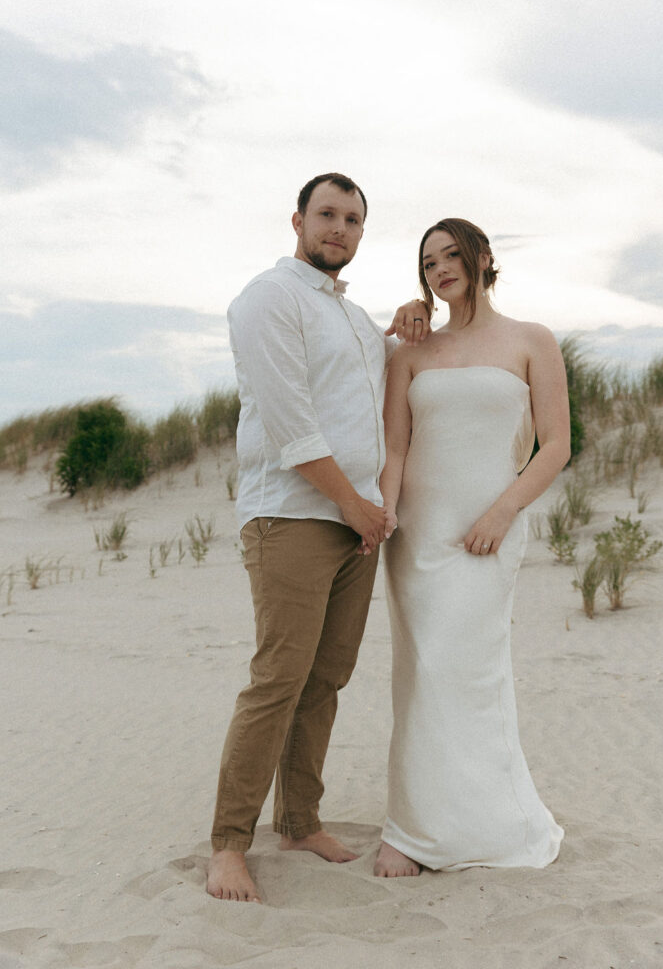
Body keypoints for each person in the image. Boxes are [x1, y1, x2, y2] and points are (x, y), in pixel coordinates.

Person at [207, 173, 430, 902]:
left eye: (353, 220)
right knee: (277, 679)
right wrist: (355, 506)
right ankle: (228, 845)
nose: (339, 229)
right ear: (297, 220)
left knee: (325, 680)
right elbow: (290, 423)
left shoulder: (349, 315)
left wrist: (400, 325)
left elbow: (363, 388)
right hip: (293, 517)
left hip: (354, 525)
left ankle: (299, 820)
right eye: (327, 215)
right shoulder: (268, 298)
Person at [374, 217, 570, 878]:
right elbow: (395, 445)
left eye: (450, 254)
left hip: (488, 534)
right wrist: (383, 516)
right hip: (418, 536)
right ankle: (411, 829)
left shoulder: (530, 340)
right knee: (421, 673)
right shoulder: (410, 351)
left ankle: (486, 823)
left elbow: (556, 445)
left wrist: (501, 511)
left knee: (471, 672)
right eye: (427, 262)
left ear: (483, 257)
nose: (438, 269)